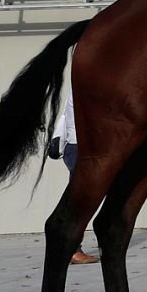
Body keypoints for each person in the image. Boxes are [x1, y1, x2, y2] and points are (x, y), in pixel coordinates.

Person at [48, 87, 97, 264]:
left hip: (75, 148)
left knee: (79, 199)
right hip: (79, 148)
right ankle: (72, 250)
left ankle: (69, 248)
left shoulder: (79, 87)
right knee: (79, 200)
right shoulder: (85, 88)